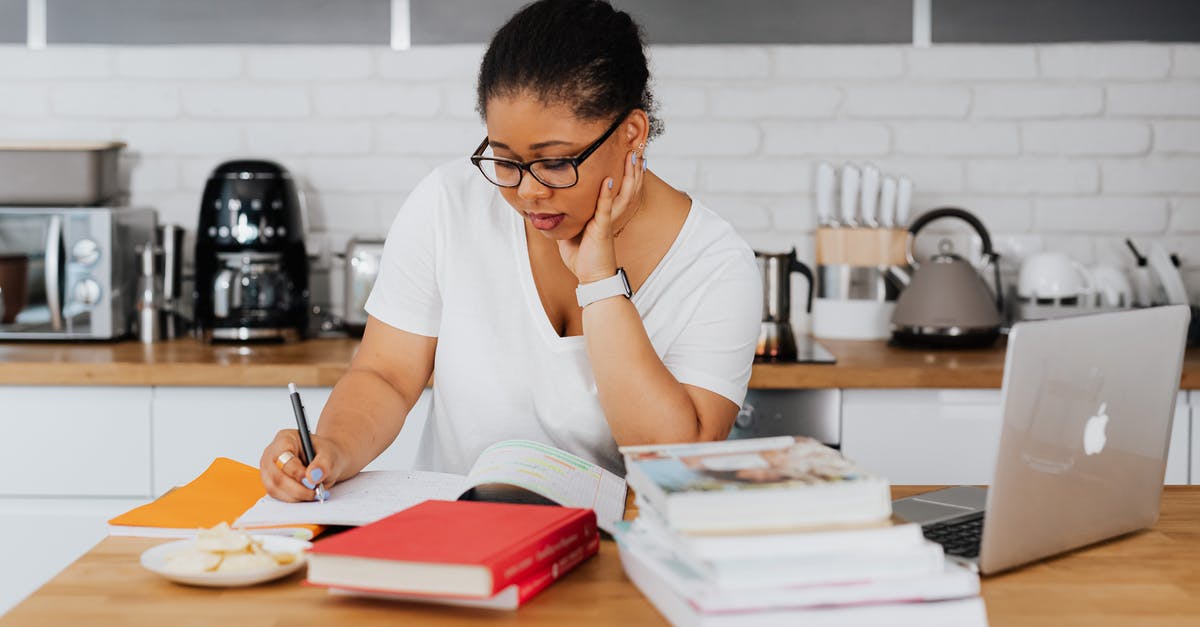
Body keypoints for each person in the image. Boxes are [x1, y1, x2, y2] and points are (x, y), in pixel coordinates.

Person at [260, 0, 761, 502]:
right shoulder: (448, 202)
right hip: (458, 545)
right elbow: (386, 374)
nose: (527, 192)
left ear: (632, 133)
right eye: (505, 160)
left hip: (612, 561)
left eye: (555, 162)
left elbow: (674, 460)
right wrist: (333, 447)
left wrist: (601, 284)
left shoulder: (714, 264)